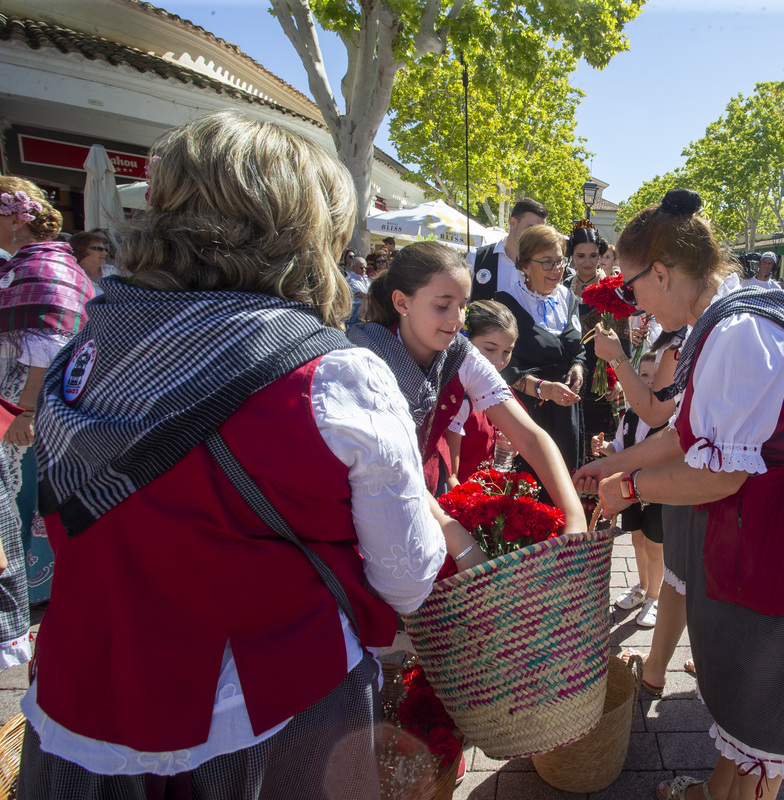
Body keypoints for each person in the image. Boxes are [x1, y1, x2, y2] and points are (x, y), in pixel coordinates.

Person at [17, 111, 465, 798]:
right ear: (302, 231)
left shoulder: (82, 352)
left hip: (81, 710)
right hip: (265, 713)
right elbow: (406, 578)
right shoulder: (334, 375)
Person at [577, 189, 784, 800]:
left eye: (633, 284)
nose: (633, 300)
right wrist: (617, 464)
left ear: (666, 272)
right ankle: (715, 791)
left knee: (770, 688)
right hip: (773, 514)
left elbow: (719, 473)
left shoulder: (736, 331)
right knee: (749, 684)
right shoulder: (729, 315)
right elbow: (690, 430)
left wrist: (630, 487)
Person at [348, 242, 586, 531]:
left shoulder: (459, 353)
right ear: (402, 302)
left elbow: (530, 437)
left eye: (462, 305)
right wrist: (460, 544)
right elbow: (389, 470)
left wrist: (574, 515)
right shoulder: (364, 359)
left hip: (429, 495)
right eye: (442, 305)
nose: (457, 319)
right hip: (372, 507)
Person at [0, 180, 92, 662]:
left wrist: (27, 409)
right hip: (28, 408)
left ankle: (11, 628)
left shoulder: (41, 265)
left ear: (17, 218)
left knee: (11, 504)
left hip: (25, 411)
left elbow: (49, 345)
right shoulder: (30, 264)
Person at [495, 224, 587, 472]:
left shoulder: (569, 299)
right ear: (525, 265)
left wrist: (578, 367)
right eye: (547, 262)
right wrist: (543, 388)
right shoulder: (505, 304)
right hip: (529, 414)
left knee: (566, 482)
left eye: (560, 261)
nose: (557, 269)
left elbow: (578, 349)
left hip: (567, 413)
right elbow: (501, 368)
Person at [593, 353, 664, 628]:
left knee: (655, 545)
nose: (650, 382)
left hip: (658, 491)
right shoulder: (632, 414)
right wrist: (604, 448)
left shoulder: (670, 416)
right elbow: (619, 449)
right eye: (644, 376)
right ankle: (643, 585)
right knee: (637, 539)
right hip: (630, 489)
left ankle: (654, 596)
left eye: (657, 377)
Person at [447, 299, 520, 482]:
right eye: (489, 349)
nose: (499, 361)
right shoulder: (457, 398)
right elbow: (451, 475)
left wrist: (512, 444)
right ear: (464, 340)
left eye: (507, 351)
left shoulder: (502, 390)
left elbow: (526, 438)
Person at [567, 221, 628, 441]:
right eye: (580, 256)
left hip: (604, 380)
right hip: (570, 378)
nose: (588, 262)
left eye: (593, 255)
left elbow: (624, 340)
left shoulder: (613, 289)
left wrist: (620, 380)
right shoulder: (562, 288)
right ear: (572, 256)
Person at [467, 198, 548, 302]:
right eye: (530, 228)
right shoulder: (476, 258)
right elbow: (462, 305)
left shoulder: (542, 265)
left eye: (539, 231)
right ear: (513, 223)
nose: (535, 235)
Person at [67, 230, 112, 295]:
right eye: (99, 249)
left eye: (105, 249)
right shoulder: (70, 275)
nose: (105, 253)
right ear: (81, 249)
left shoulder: (111, 271)